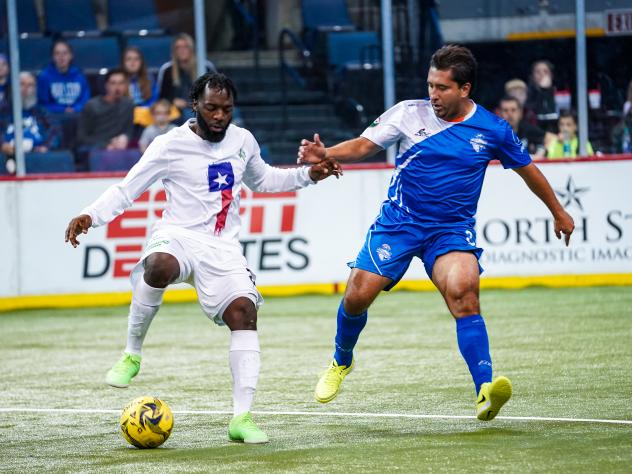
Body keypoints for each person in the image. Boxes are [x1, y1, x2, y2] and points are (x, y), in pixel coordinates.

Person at [298, 45, 575, 421]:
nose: (433, 95)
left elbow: (528, 170)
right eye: (430, 85)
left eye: (442, 88)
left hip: (450, 232)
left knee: (464, 294)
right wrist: (326, 151)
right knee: (356, 296)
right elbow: (364, 145)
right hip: (399, 223)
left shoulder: (493, 129)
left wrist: (558, 212)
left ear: (465, 89)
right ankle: (340, 360)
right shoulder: (408, 113)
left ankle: (484, 390)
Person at [65, 72, 340, 444]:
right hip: (178, 235)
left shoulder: (243, 140)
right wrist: (90, 216)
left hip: (223, 248)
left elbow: (265, 180)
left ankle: (241, 419)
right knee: (158, 264)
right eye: (211, 108)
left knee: (245, 311)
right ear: (194, 105)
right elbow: (127, 189)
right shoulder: (169, 145)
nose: (219, 116)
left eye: (226, 109)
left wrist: (309, 175)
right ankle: (132, 354)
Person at [1, 72, 60, 174]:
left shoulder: (42, 112)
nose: (26, 89)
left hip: (36, 156)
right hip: (6, 154)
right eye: (22, 84)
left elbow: (55, 132)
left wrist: (46, 147)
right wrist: (2, 145)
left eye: (30, 85)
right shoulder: (3, 111)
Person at [157, 33, 216, 119]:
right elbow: (162, 98)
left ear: (191, 49)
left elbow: (216, 93)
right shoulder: (167, 70)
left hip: (201, 110)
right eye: (178, 48)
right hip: (175, 113)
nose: (182, 50)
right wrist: (172, 101)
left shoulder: (205, 67)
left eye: (185, 47)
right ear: (174, 51)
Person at [77, 69, 134, 152]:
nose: (117, 87)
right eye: (113, 83)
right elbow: (82, 137)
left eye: (121, 83)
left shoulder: (128, 104)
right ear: (106, 85)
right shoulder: (91, 106)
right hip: (96, 148)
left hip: (119, 148)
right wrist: (105, 145)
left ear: (126, 86)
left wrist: (124, 137)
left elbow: (128, 130)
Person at [37, 39, 90, 114]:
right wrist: (62, 109)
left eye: (65, 53)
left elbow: (85, 101)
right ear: (52, 57)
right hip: (53, 117)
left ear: (71, 56)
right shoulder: (44, 77)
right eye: (57, 53)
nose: (61, 57)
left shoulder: (80, 76)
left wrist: (75, 109)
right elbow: (42, 104)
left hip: (77, 116)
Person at [526, 60, 558, 132]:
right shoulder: (527, 96)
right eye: (538, 72)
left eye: (545, 71)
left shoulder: (559, 94)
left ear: (551, 75)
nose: (542, 74)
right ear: (532, 76)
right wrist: (542, 90)